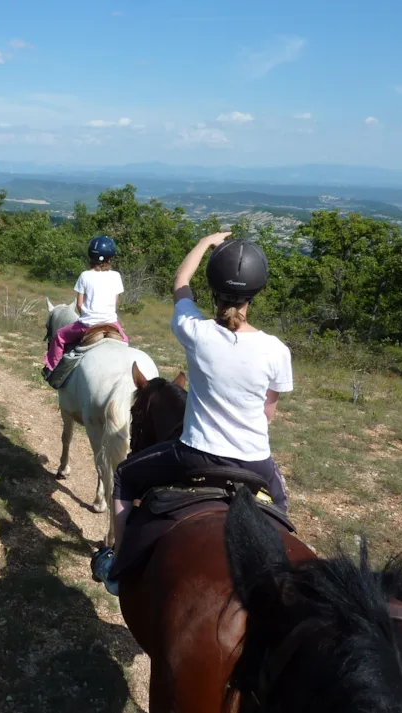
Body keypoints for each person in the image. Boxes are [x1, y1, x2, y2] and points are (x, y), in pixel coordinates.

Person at [91, 232, 294, 595]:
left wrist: (206, 241)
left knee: (123, 476)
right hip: (256, 463)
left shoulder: (195, 331)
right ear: (256, 293)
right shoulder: (276, 351)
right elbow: (268, 414)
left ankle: (118, 566)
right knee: (280, 508)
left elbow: (180, 281)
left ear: (214, 290)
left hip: (196, 455)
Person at [42, 236, 129, 378]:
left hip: (87, 324)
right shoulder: (116, 276)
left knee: (59, 337)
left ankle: (52, 367)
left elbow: (79, 304)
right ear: (109, 259)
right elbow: (116, 302)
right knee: (125, 342)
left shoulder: (84, 276)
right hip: (111, 323)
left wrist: (86, 315)